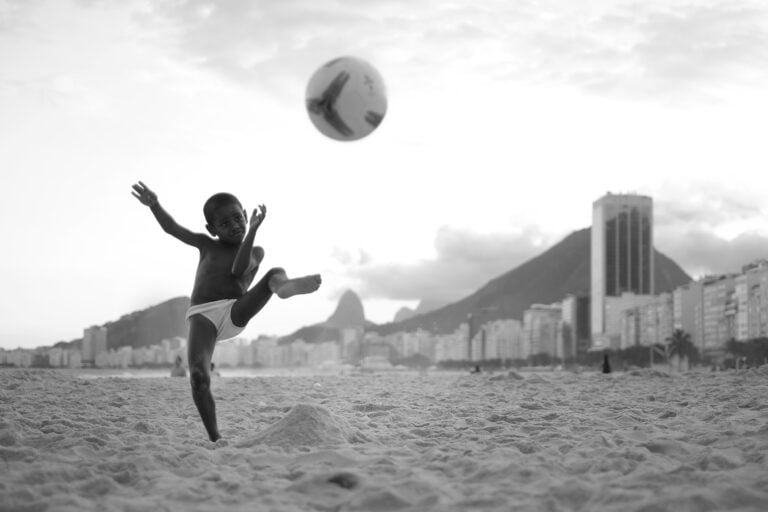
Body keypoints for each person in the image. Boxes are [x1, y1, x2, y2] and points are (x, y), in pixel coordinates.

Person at [131, 181, 322, 441]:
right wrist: (154, 205)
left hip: (235, 310)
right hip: (203, 316)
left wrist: (252, 231)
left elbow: (239, 269)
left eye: (237, 218)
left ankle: (284, 286)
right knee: (198, 376)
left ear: (245, 215)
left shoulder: (256, 251)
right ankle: (215, 437)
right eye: (224, 223)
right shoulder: (206, 245)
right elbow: (172, 228)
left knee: (273, 274)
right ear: (212, 229)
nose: (234, 225)